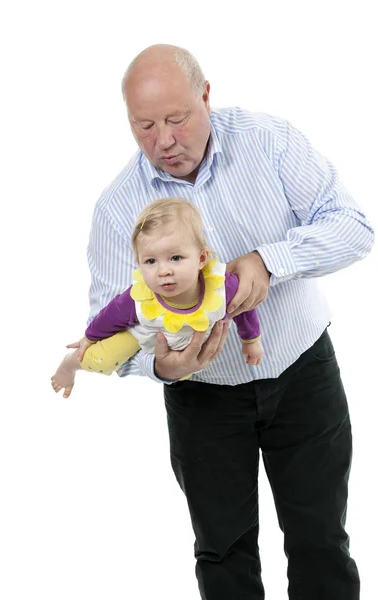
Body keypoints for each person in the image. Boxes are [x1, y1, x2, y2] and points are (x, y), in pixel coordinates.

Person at [68, 44, 375, 599]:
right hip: (202, 398)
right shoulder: (117, 207)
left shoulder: (270, 141)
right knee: (222, 551)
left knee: (320, 541)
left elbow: (354, 227)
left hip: (302, 372)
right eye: (144, 126)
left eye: (177, 119)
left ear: (206, 96)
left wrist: (269, 262)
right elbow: (105, 323)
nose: (164, 140)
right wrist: (161, 363)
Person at [50, 197, 263, 398]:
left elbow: (244, 307)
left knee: (186, 371)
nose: (163, 271)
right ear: (139, 262)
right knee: (101, 359)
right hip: (143, 331)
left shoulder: (223, 286)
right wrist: (89, 337)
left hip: (183, 343)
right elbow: (110, 315)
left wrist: (250, 340)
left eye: (175, 258)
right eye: (151, 261)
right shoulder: (139, 299)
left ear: (201, 258)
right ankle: (70, 365)